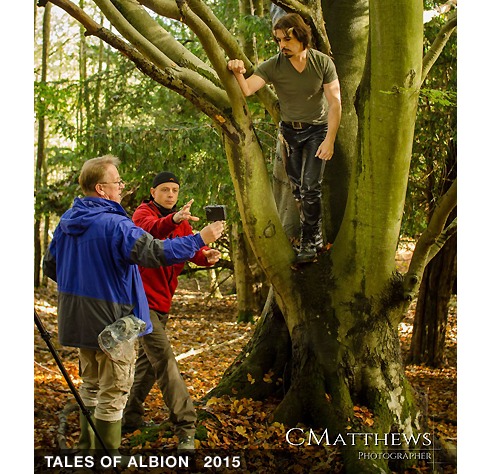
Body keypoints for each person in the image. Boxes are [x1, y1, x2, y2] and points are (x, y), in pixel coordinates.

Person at [42, 156, 224, 459]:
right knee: (113, 392)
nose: (121, 186)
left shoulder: (67, 221)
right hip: (114, 322)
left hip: (78, 319)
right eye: (117, 182)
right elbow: (154, 251)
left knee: (91, 385)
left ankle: (88, 451)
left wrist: (86, 285)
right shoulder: (117, 224)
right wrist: (200, 238)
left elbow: (52, 266)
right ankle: (103, 459)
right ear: (101, 188)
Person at [227, 13, 342, 262]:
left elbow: (335, 103)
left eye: (287, 39)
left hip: (317, 131)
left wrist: (330, 139)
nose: (282, 45)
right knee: (300, 192)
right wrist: (238, 71)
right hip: (290, 133)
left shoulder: (322, 63)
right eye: (278, 40)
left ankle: (309, 244)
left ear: (301, 37)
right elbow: (247, 89)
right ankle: (316, 237)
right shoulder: (274, 65)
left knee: (311, 187)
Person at [122, 172, 221, 452]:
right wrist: (174, 220)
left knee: (148, 365)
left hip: (162, 302)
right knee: (164, 360)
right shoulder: (143, 214)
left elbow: (187, 250)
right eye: (165, 190)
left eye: (175, 190)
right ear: (153, 192)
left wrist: (206, 257)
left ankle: (129, 418)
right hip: (139, 301)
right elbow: (151, 236)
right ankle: (185, 425)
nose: (170, 195)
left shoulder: (181, 221)